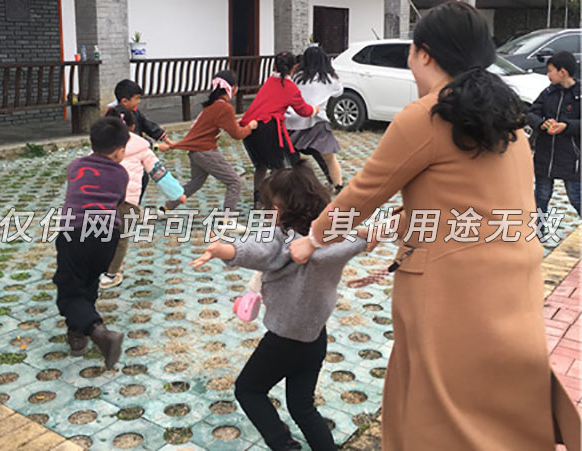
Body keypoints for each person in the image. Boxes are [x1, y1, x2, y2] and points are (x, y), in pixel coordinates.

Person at [289, 2, 581, 450]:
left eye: (411, 51)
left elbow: (361, 194)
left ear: (424, 54)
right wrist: (390, 226)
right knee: (503, 406)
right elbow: (470, 205)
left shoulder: (427, 116)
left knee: (436, 412)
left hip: (449, 292)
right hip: (515, 285)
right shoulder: (508, 121)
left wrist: (312, 239)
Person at [190, 162, 378, 451]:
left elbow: (256, 250)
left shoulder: (281, 238)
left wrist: (223, 249)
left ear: (276, 211)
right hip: (315, 337)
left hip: (284, 341)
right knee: (302, 406)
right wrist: (369, 235)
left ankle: (284, 445)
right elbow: (358, 238)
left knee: (248, 390)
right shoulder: (333, 239)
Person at [52, 117, 129, 370]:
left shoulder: (75, 165)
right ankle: (77, 333)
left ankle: (99, 333)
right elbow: (118, 199)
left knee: (68, 294)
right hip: (107, 233)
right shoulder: (121, 173)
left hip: (74, 231)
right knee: (88, 281)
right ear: (119, 151)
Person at [98, 107, 187, 289]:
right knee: (121, 238)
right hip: (128, 202)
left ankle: (95, 267)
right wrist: (177, 194)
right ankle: (110, 275)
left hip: (101, 199)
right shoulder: (141, 146)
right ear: (132, 127)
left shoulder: (100, 145)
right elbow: (159, 173)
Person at [158, 70, 257, 232]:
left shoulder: (213, 105)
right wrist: (250, 127)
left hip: (196, 151)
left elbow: (222, 124)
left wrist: (236, 123)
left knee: (195, 183)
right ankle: (228, 221)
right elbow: (237, 135)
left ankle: (165, 209)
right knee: (234, 182)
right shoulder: (224, 107)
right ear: (232, 88)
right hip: (205, 151)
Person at [240, 52, 319, 206]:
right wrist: (315, 109)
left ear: (274, 66)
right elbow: (304, 111)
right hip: (268, 129)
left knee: (261, 165)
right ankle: (275, 201)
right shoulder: (290, 88)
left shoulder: (269, 81)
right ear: (294, 67)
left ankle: (258, 200)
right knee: (278, 168)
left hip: (251, 128)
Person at [527, 50, 580, 222]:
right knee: (541, 198)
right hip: (545, 156)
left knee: (576, 197)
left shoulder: (579, 95)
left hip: (571, 158)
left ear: (562, 72)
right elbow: (531, 113)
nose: (547, 74)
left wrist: (566, 126)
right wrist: (542, 123)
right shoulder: (548, 92)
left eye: (550, 70)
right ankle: (538, 233)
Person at [286, 45, 345, 193]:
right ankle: (338, 186)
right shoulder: (329, 78)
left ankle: (299, 186)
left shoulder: (297, 77)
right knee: (329, 157)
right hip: (317, 121)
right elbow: (339, 92)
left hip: (294, 121)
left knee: (295, 158)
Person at [108, 79, 175, 202]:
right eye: (137, 98)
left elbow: (148, 126)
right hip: (117, 157)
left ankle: (132, 204)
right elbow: (134, 142)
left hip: (133, 155)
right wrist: (156, 146)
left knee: (142, 178)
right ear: (125, 101)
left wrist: (167, 140)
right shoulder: (113, 116)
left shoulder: (134, 112)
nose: (139, 101)